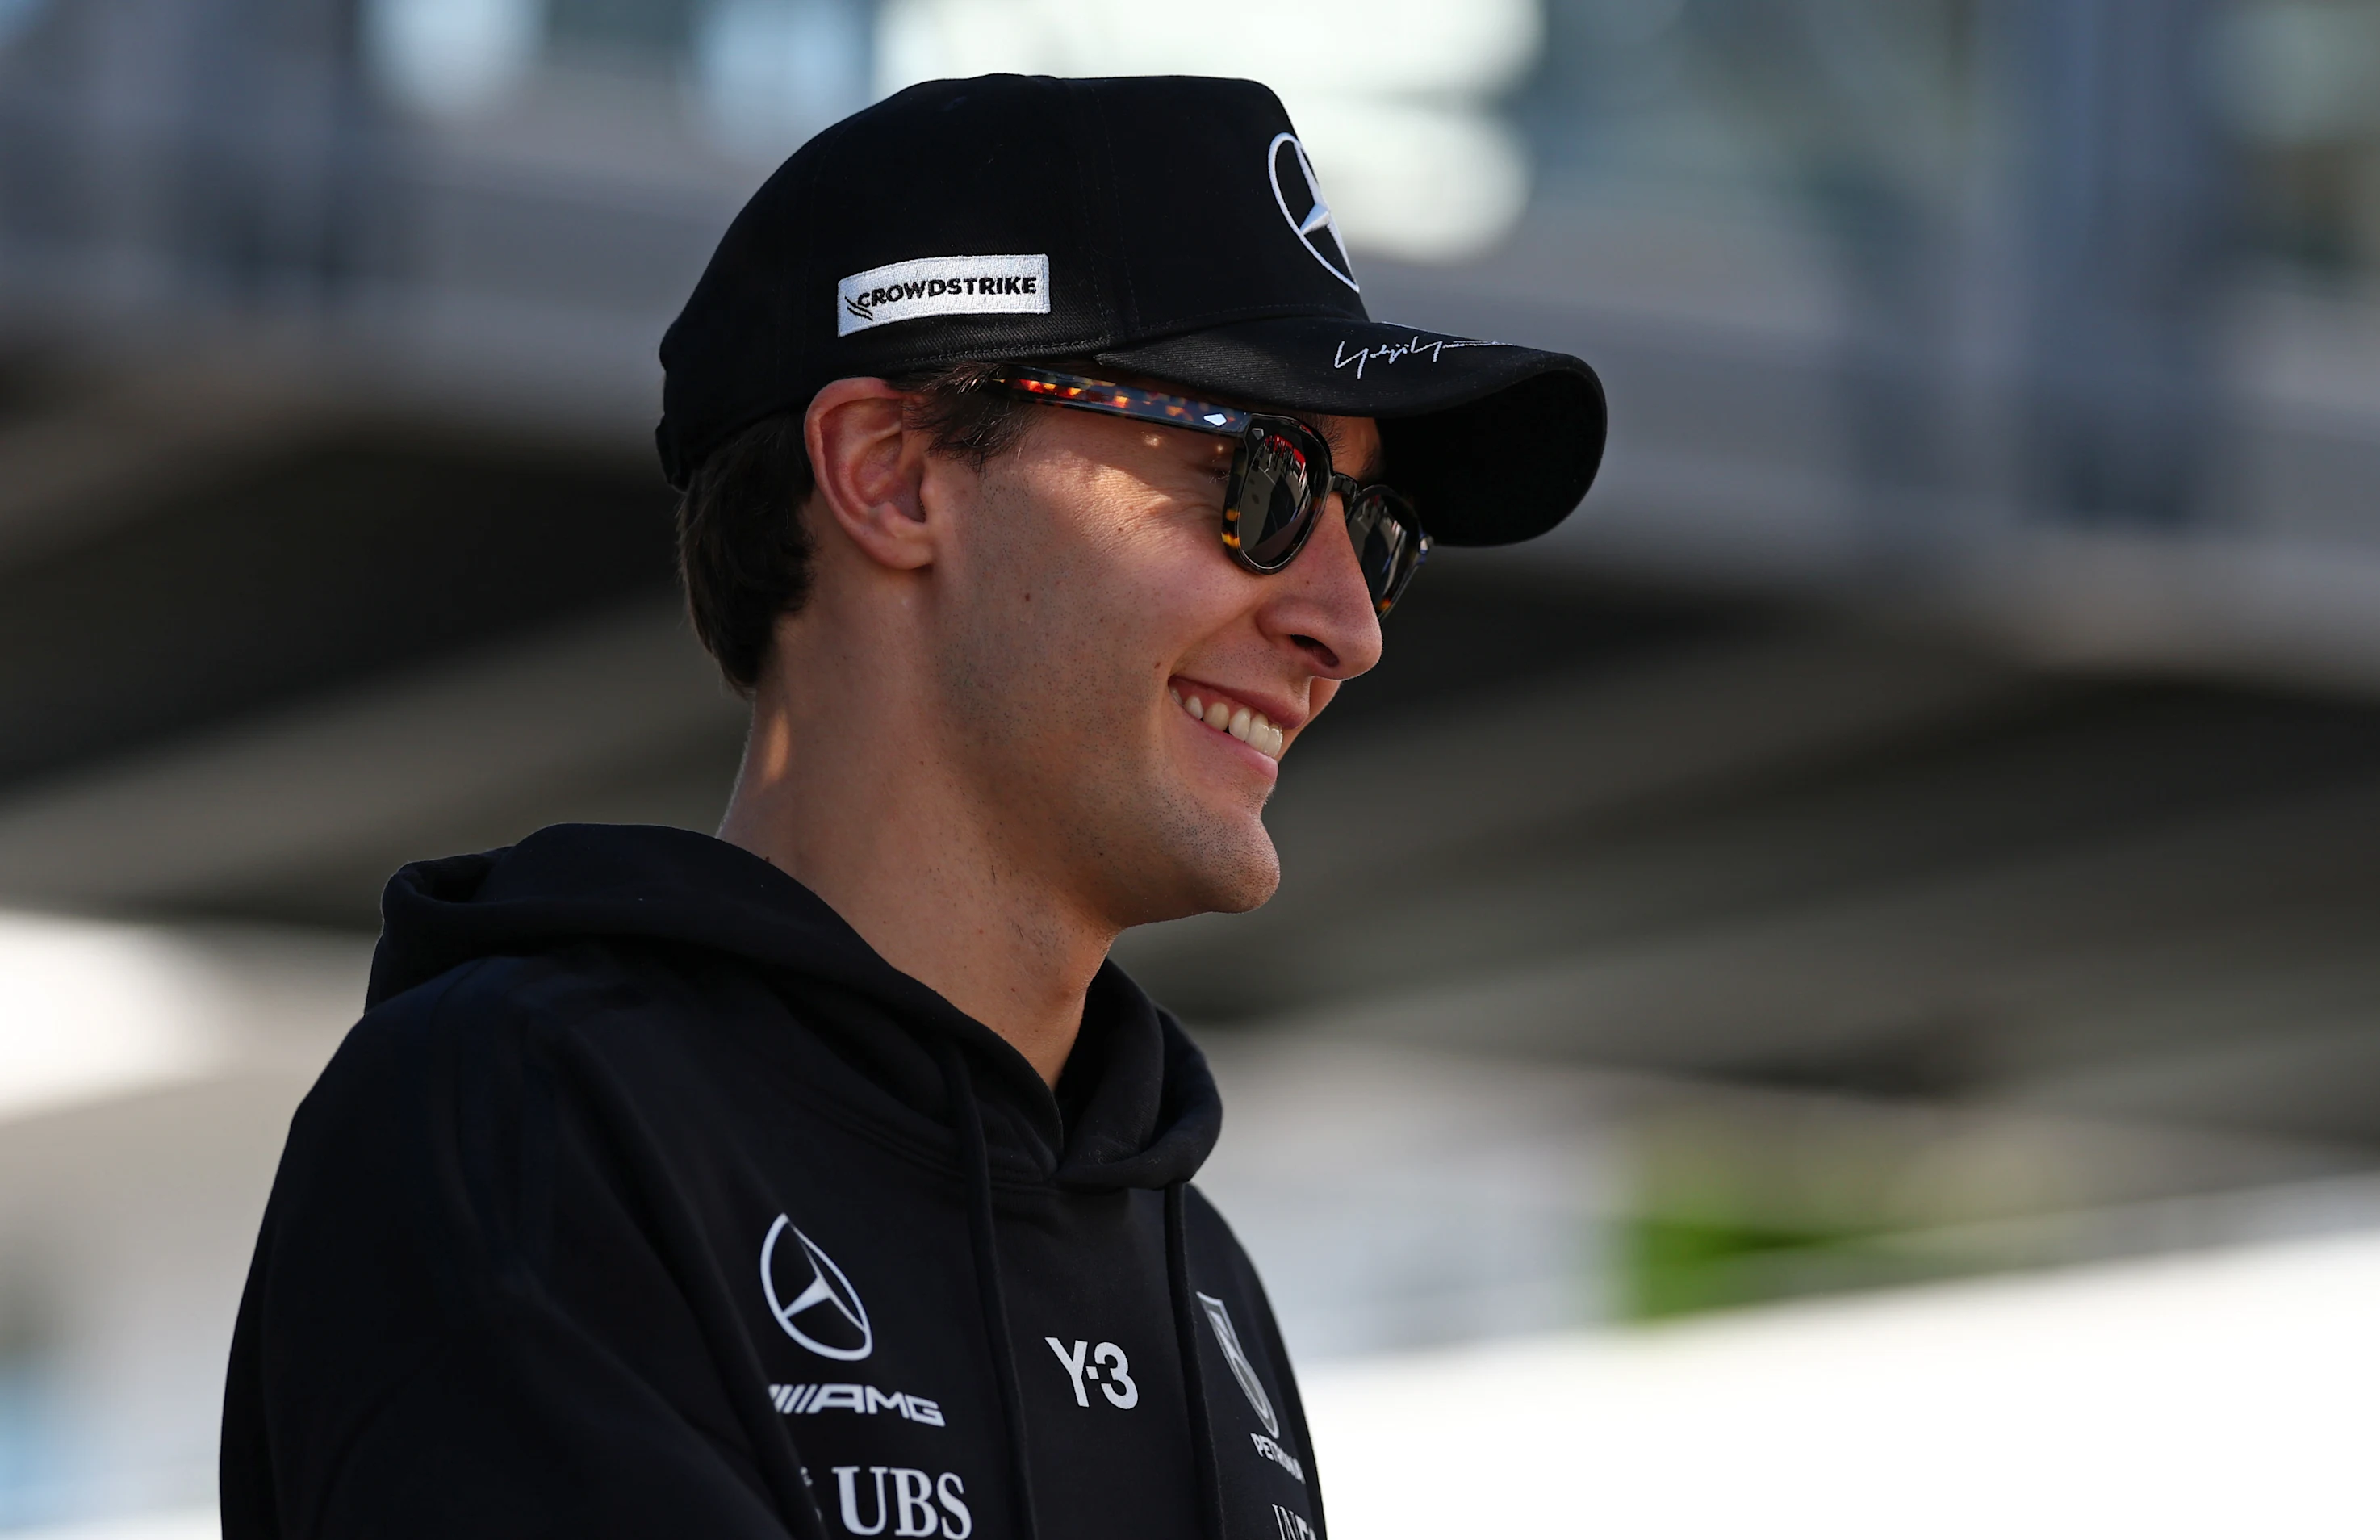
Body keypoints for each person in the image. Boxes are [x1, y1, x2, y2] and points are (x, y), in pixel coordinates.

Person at [219, 73, 1604, 1540]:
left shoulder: (1202, 1285)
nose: (1349, 622)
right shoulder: (517, 1126)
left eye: (1373, 533)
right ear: (889, 477)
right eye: (1257, 477)